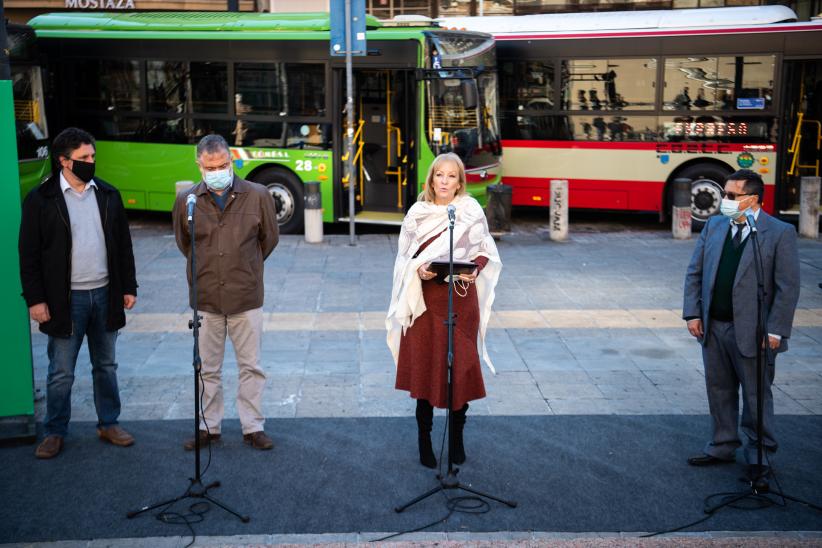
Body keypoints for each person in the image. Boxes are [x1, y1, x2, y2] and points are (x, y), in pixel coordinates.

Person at [19, 127, 138, 459]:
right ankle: (55, 431)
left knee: (106, 365)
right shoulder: (41, 200)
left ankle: (109, 423)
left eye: (93, 156)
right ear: (63, 161)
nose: (91, 162)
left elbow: (123, 247)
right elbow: (28, 255)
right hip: (63, 301)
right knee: (61, 372)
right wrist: (36, 300)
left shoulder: (108, 195)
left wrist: (129, 287)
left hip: (104, 294)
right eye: (84, 157)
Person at [386, 153, 502, 469]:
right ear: (432, 178)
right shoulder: (417, 213)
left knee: (460, 372)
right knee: (426, 373)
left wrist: (475, 269)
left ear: (460, 182)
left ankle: (457, 440)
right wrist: (418, 270)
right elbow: (404, 259)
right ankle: (425, 440)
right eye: (440, 175)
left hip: (461, 302)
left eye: (452, 176)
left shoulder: (470, 210)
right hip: (426, 304)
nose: (445, 182)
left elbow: (485, 251)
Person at [683, 169, 799, 480]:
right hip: (714, 327)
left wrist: (775, 330)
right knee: (719, 390)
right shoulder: (715, 226)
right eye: (725, 194)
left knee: (755, 395)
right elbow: (695, 272)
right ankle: (721, 445)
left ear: (753, 199)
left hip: (755, 332)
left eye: (732, 196)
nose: (726, 201)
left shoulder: (778, 233)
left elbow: (788, 287)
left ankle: (759, 455)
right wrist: (693, 313)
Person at [173, 134, 279, 451]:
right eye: (210, 166)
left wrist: (244, 268)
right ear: (199, 165)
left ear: (230, 160)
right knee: (207, 369)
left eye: (222, 164)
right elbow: (184, 243)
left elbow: (268, 240)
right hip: (206, 299)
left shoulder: (258, 195)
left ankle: (252, 427)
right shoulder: (187, 200)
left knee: (251, 367)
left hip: (246, 297)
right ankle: (209, 427)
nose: (217, 171)